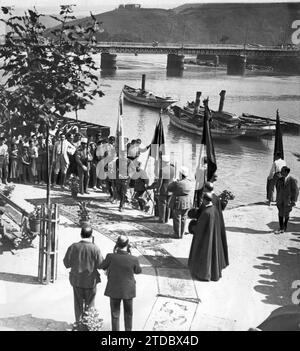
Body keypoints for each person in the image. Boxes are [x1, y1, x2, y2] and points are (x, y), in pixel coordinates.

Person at [99, 235, 142, 331]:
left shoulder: (110, 256)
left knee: (115, 314)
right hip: (128, 290)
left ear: (117, 244)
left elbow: (101, 266)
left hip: (114, 289)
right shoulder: (133, 259)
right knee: (128, 314)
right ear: (127, 244)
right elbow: (138, 271)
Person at [63, 226, 103, 326]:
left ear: (81, 234)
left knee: (78, 303)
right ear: (91, 235)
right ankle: (89, 324)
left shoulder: (73, 247)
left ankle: (78, 323)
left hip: (76, 280)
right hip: (91, 281)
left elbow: (66, 263)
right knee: (90, 303)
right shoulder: (95, 248)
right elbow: (100, 265)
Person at [188, 192, 227, 281]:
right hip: (212, 236)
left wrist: (192, 226)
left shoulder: (205, 213)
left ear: (205, 200)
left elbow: (199, 229)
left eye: (203, 200)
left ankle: (203, 275)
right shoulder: (214, 209)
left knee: (205, 255)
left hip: (205, 239)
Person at [167, 166, 193, 238]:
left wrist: (174, 181)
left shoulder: (178, 183)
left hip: (178, 202)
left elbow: (169, 188)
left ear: (181, 174)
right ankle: (181, 234)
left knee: (177, 218)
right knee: (184, 218)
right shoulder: (189, 182)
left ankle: (177, 234)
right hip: (187, 201)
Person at [275, 166, 299, 234]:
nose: (281, 172)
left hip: (288, 201)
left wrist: (293, 201)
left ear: (286, 172)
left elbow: (296, 191)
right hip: (280, 199)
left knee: (287, 214)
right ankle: (281, 228)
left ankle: (285, 225)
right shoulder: (279, 179)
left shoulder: (292, 180)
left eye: (282, 171)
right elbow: (277, 188)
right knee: (280, 213)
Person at [155, 154, 176, 223]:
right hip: (171, 189)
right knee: (168, 205)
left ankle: (162, 219)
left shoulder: (162, 169)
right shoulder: (173, 168)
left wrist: (157, 189)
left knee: (162, 204)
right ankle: (167, 219)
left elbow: (160, 181)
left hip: (163, 189)